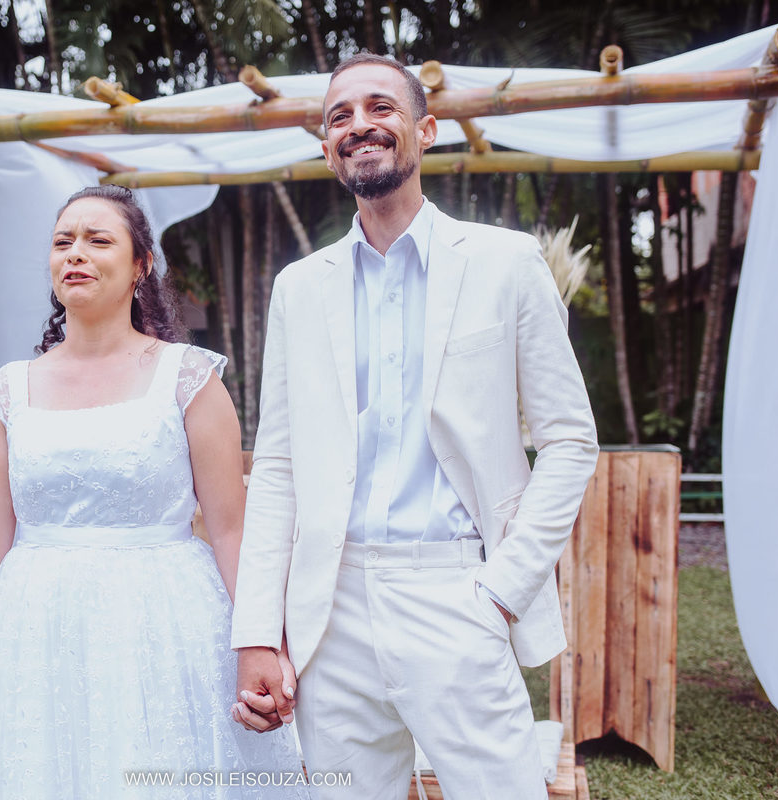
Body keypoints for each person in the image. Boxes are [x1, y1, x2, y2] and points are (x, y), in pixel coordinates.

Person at [230, 54, 600, 799]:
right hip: (330, 611)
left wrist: (501, 589)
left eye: (381, 107)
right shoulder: (299, 288)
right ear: (326, 147)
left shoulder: (505, 263)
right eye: (339, 115)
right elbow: (277, 468)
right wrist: (258, 633)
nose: (359, 125)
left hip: (458, 591)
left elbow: (570, 439)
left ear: (426, 130)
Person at [0, 185, 307, 798]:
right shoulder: (7, 391)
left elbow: (231, 529)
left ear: (141, 266)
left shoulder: (188, 377)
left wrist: (262, 643)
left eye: (98, 240)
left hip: (166, 624)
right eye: (63, 241)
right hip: (35, 629)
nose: (75, 253)